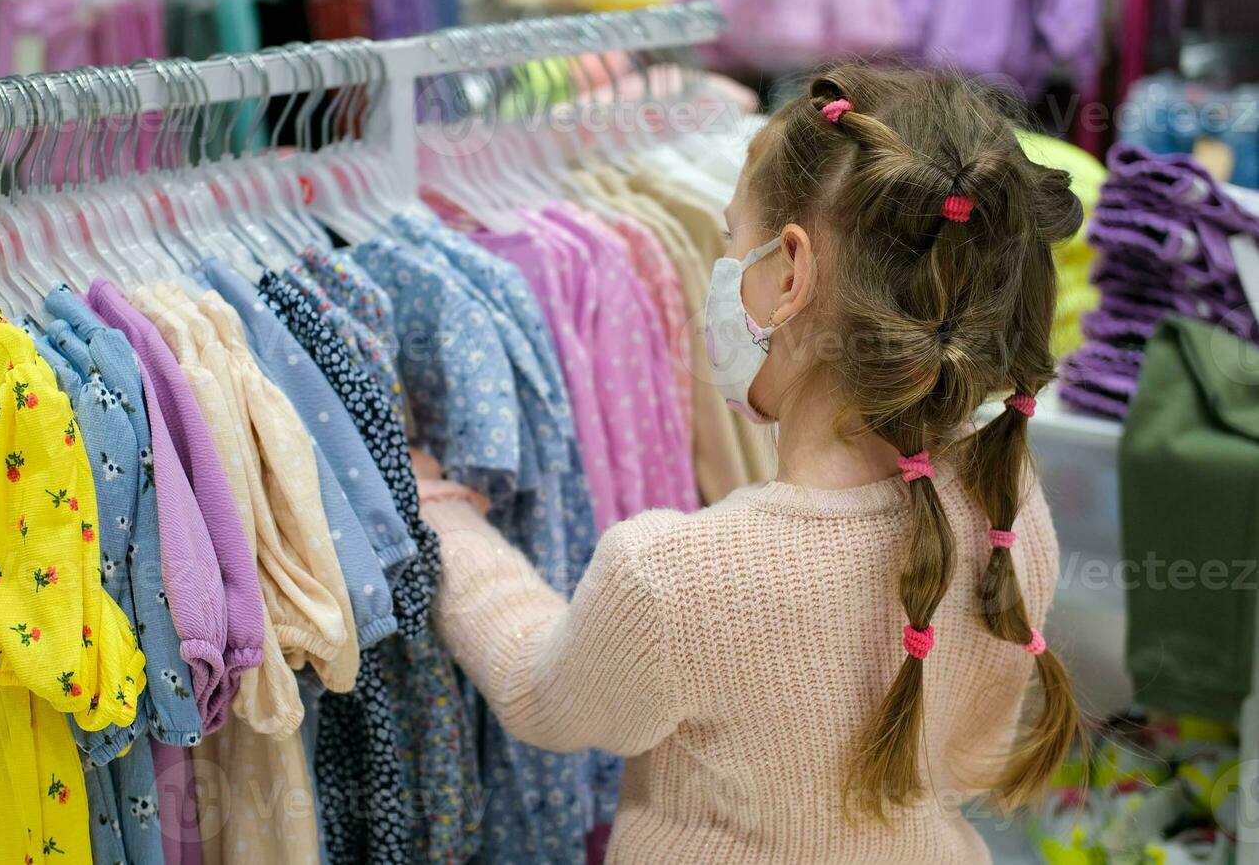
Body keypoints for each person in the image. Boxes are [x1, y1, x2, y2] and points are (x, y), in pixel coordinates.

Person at [414, 64, 1084, 864]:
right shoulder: (1006, 506)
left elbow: (539, 695)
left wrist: (446, 520)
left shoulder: (673, 576)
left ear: (790, 274)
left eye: (731, 238)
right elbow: (972, 755)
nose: (720, 267)